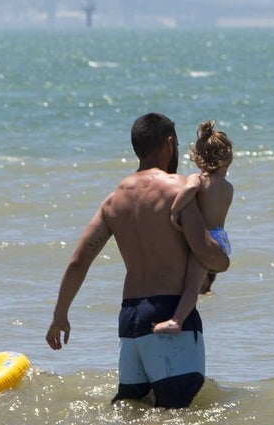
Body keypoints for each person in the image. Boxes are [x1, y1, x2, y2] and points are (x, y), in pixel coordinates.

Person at [46, 113, 230, 408]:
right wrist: (223, 259)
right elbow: (205, 252)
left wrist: (60, 315)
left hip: (130, 320)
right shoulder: (177, 189)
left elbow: (79, 261)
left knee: (132, 410)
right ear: (170, 144)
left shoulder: (114, 199)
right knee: (177, 414)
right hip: (168, 311)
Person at [153, 120, 234, 334]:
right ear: (230, 159)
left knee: (191, 286)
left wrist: (175, 211)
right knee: (197, 284)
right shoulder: (228, 188)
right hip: (221, 240)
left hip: (205, 241)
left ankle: (176, 320)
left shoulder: (198, 180)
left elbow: (188, 190)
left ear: (198, 160)